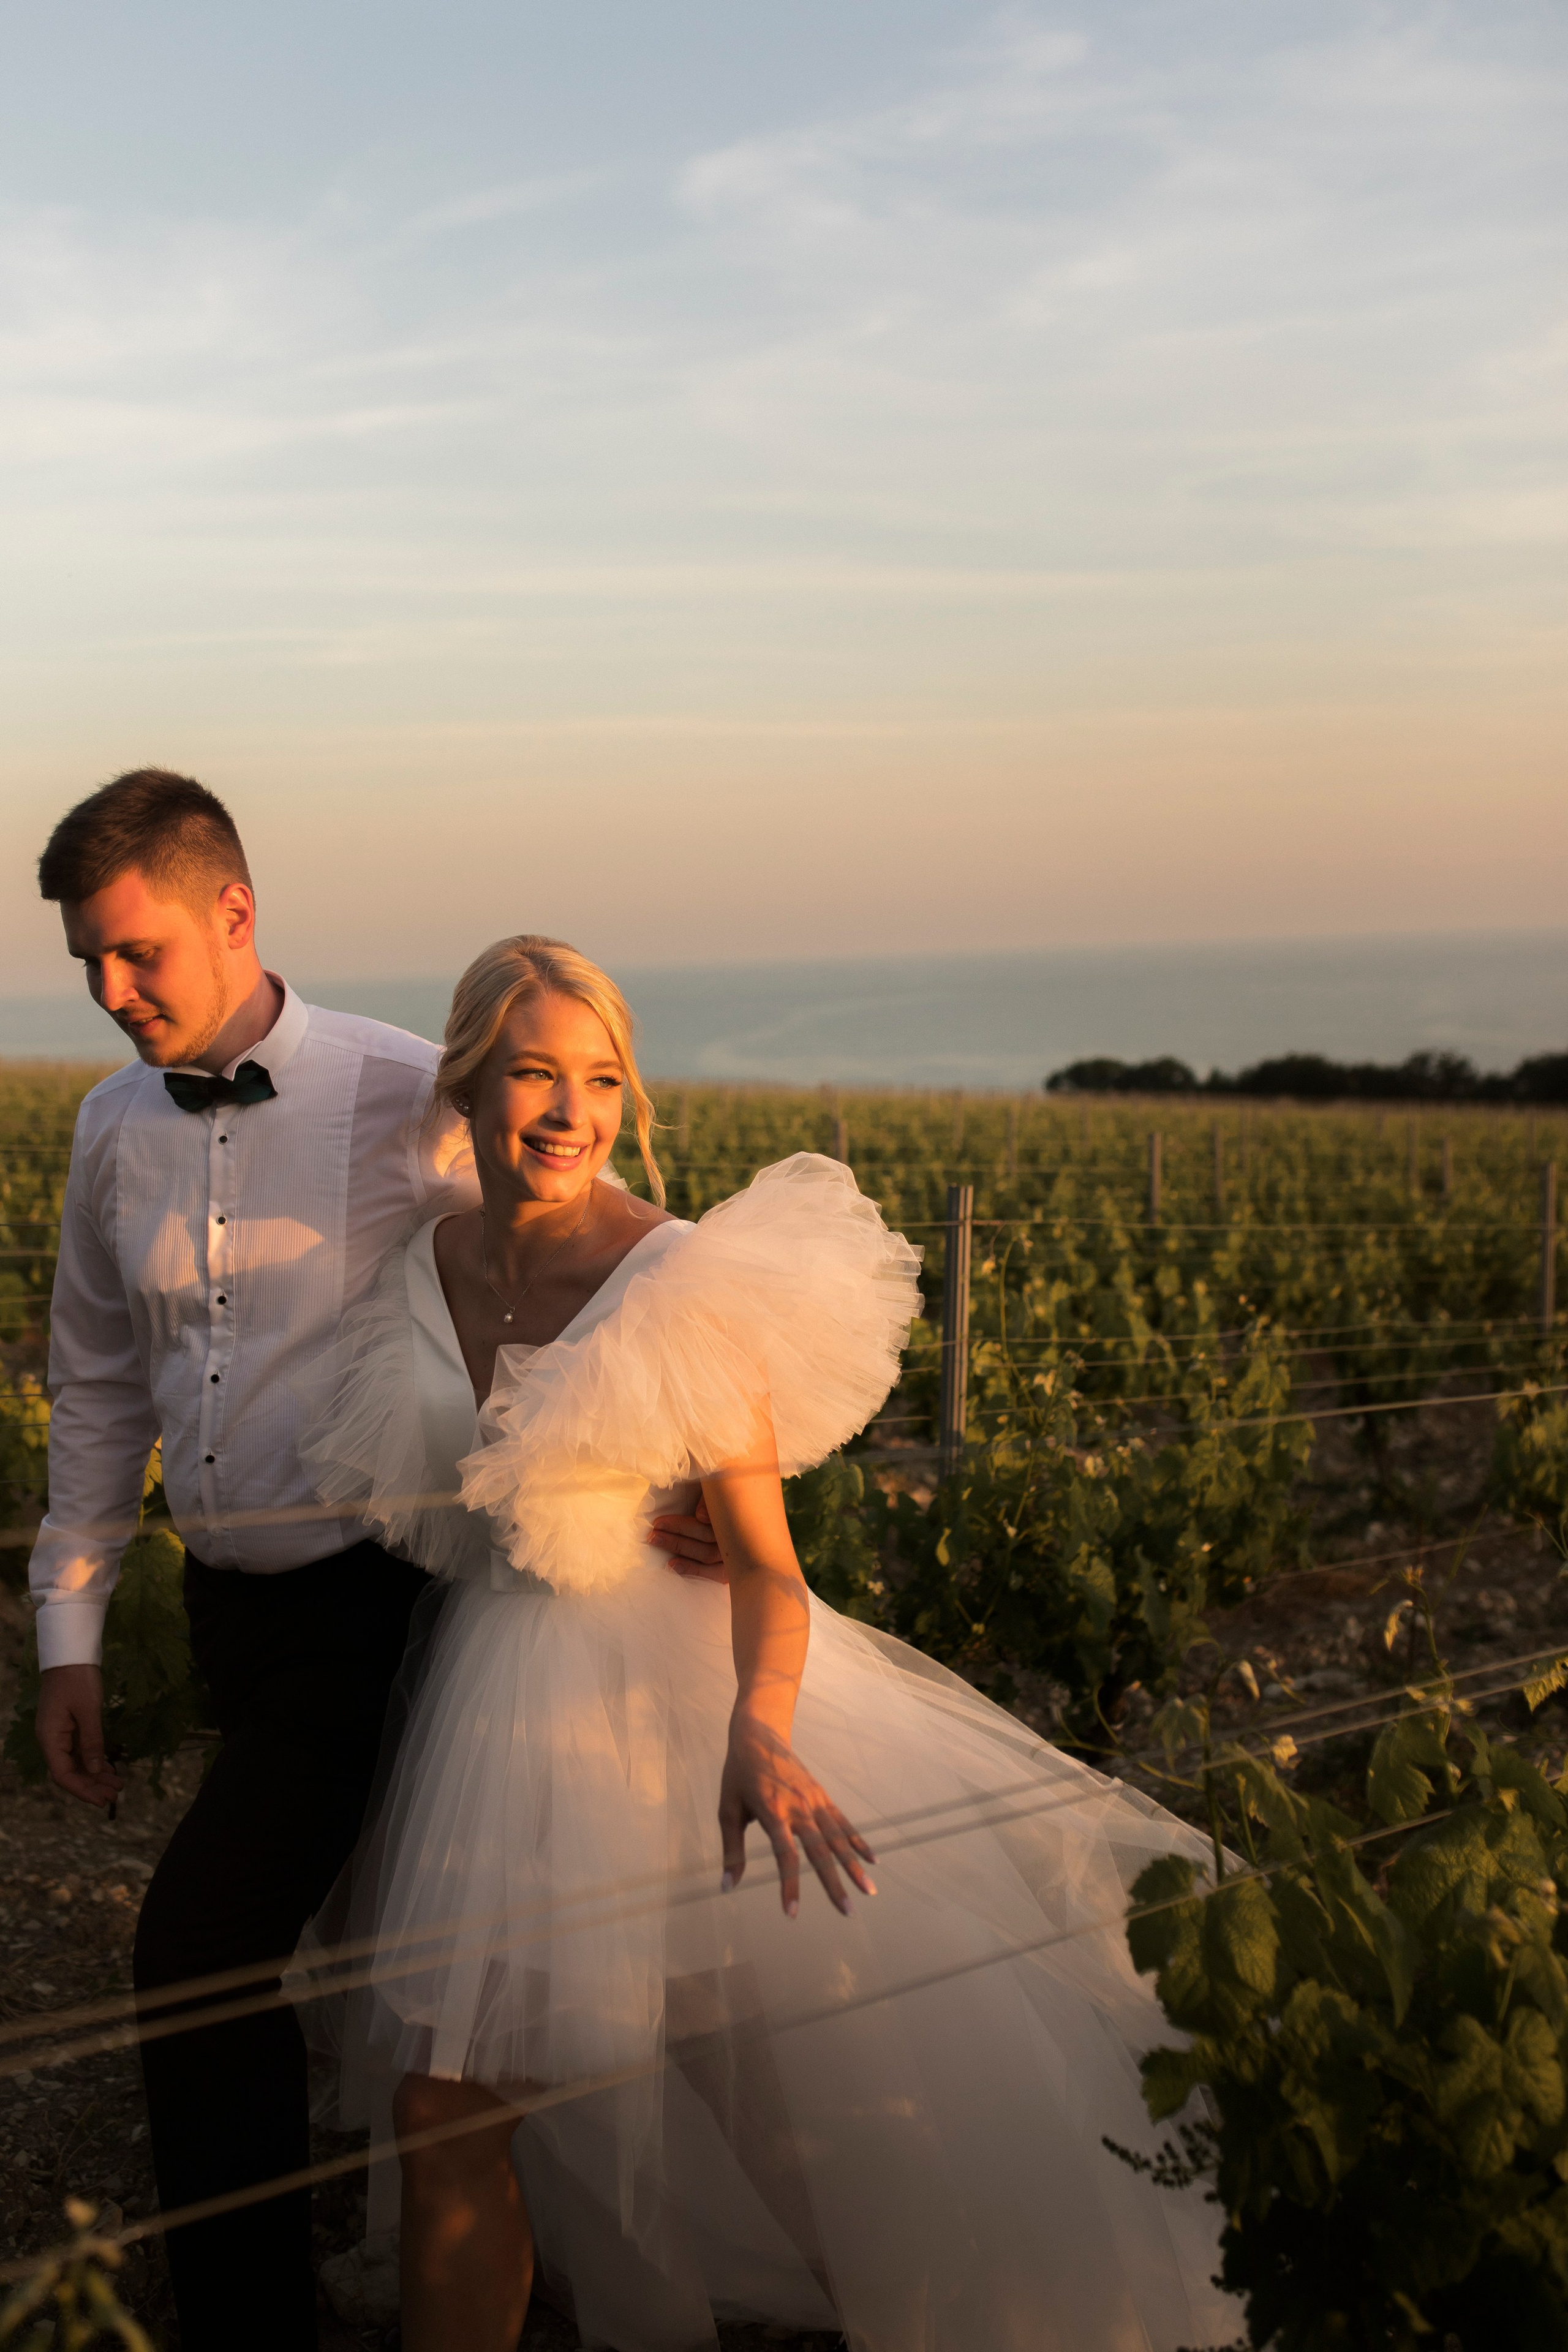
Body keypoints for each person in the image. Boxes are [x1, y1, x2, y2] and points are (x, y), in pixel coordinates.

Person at [304, 934, 1234, 2352]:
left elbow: (768, 1572)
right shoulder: (416, 1266)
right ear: (467, 1086)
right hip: (486, 1712)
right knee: (446, 2112)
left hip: (668, 1709)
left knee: (793, 2103)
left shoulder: (678, 1282)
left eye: (599, 1079)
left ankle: (968, 2318)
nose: (568, 1111)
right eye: (535, 1074)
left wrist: (760, 1725)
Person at [29, 772, 726, 2352]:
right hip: (226, 1610)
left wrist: (661, 1465)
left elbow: (585, 1229)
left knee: (200, 1948)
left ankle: (247, 2321)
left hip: (378, 1598)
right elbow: (99, 1388)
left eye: (136, 951)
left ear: (234, 912)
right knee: (389, 1959)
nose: (111, 989)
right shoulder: (108, 1129)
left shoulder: (411, 1092)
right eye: (87, 962)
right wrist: (70, 1637)